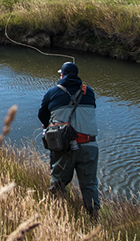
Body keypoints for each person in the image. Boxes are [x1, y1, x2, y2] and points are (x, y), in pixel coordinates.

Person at [38, 62, 100, 215]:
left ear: (62, 75)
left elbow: (42, 114)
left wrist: (47, 124)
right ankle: (93, 218)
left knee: (58, 183)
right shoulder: (89, 92)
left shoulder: (53, 92)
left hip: (63, 146)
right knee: (89, 185)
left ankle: (59, 215)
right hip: (89, 145)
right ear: (77, 76)